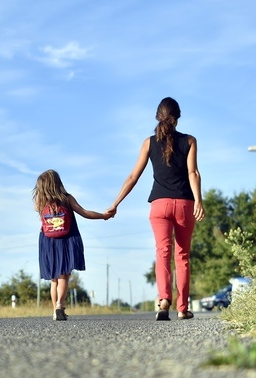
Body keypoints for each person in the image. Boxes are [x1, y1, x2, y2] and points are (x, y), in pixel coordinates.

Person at [106, 97, 205, 321]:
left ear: (157, 117)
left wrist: (115, 203)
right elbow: (193, 174)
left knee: (162, 253)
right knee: (182, 256)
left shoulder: (148, 143)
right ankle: (182, 308)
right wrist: (198, 200)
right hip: (184, 204)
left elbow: (133, 177)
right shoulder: (190, 141)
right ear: (177, 119)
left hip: (159, 206)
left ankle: (164, 300)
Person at [33, 169, 111, 321]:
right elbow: (84, 212)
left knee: (54, 279)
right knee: (64, 276)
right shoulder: (67, 199)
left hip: (48, 242)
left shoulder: (40, 203)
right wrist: (103, 216)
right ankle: (59, 306)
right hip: (66, 240)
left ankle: (55, 309)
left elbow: (40, 214)